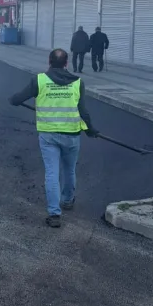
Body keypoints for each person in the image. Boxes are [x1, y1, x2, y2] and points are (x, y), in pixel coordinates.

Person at [8, 49, 99, 228]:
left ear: (49, 62)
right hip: (72, 135)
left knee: (52, 173)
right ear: (67, 63)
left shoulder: (39, 80)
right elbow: (83, 112)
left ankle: (55, 214)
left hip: (49, 134)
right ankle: (67, 200)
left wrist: (13, 100)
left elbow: (18, 98)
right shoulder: (78, 82)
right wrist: (90, 129)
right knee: (69, 170)